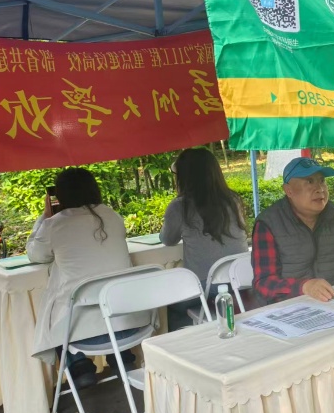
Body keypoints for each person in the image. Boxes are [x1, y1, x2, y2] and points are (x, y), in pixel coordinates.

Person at [28, 168, 135, 390]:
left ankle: (79, 365)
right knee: (104, 297)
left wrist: (44, 217)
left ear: (60, 195)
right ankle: (123, 357)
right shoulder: (112, 216)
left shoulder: (53, 224)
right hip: (130, 323)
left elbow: (36, 255)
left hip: (79, 330)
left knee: (54, 310)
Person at [251, 157, 334, 303]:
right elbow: (263, 283)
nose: (320, 189)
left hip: (332, 298)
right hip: (286, 304)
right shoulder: (269, 224)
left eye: (322, 181)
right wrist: (304, 287)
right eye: (309, 181)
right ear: (288, 190)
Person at [161, 148, 248, 329]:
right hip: (241, 280)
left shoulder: (180, 207)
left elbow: (167, 240)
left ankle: (189, 339)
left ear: (183, 177)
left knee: (169, 305)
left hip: (205, 287)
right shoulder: (233, 200)